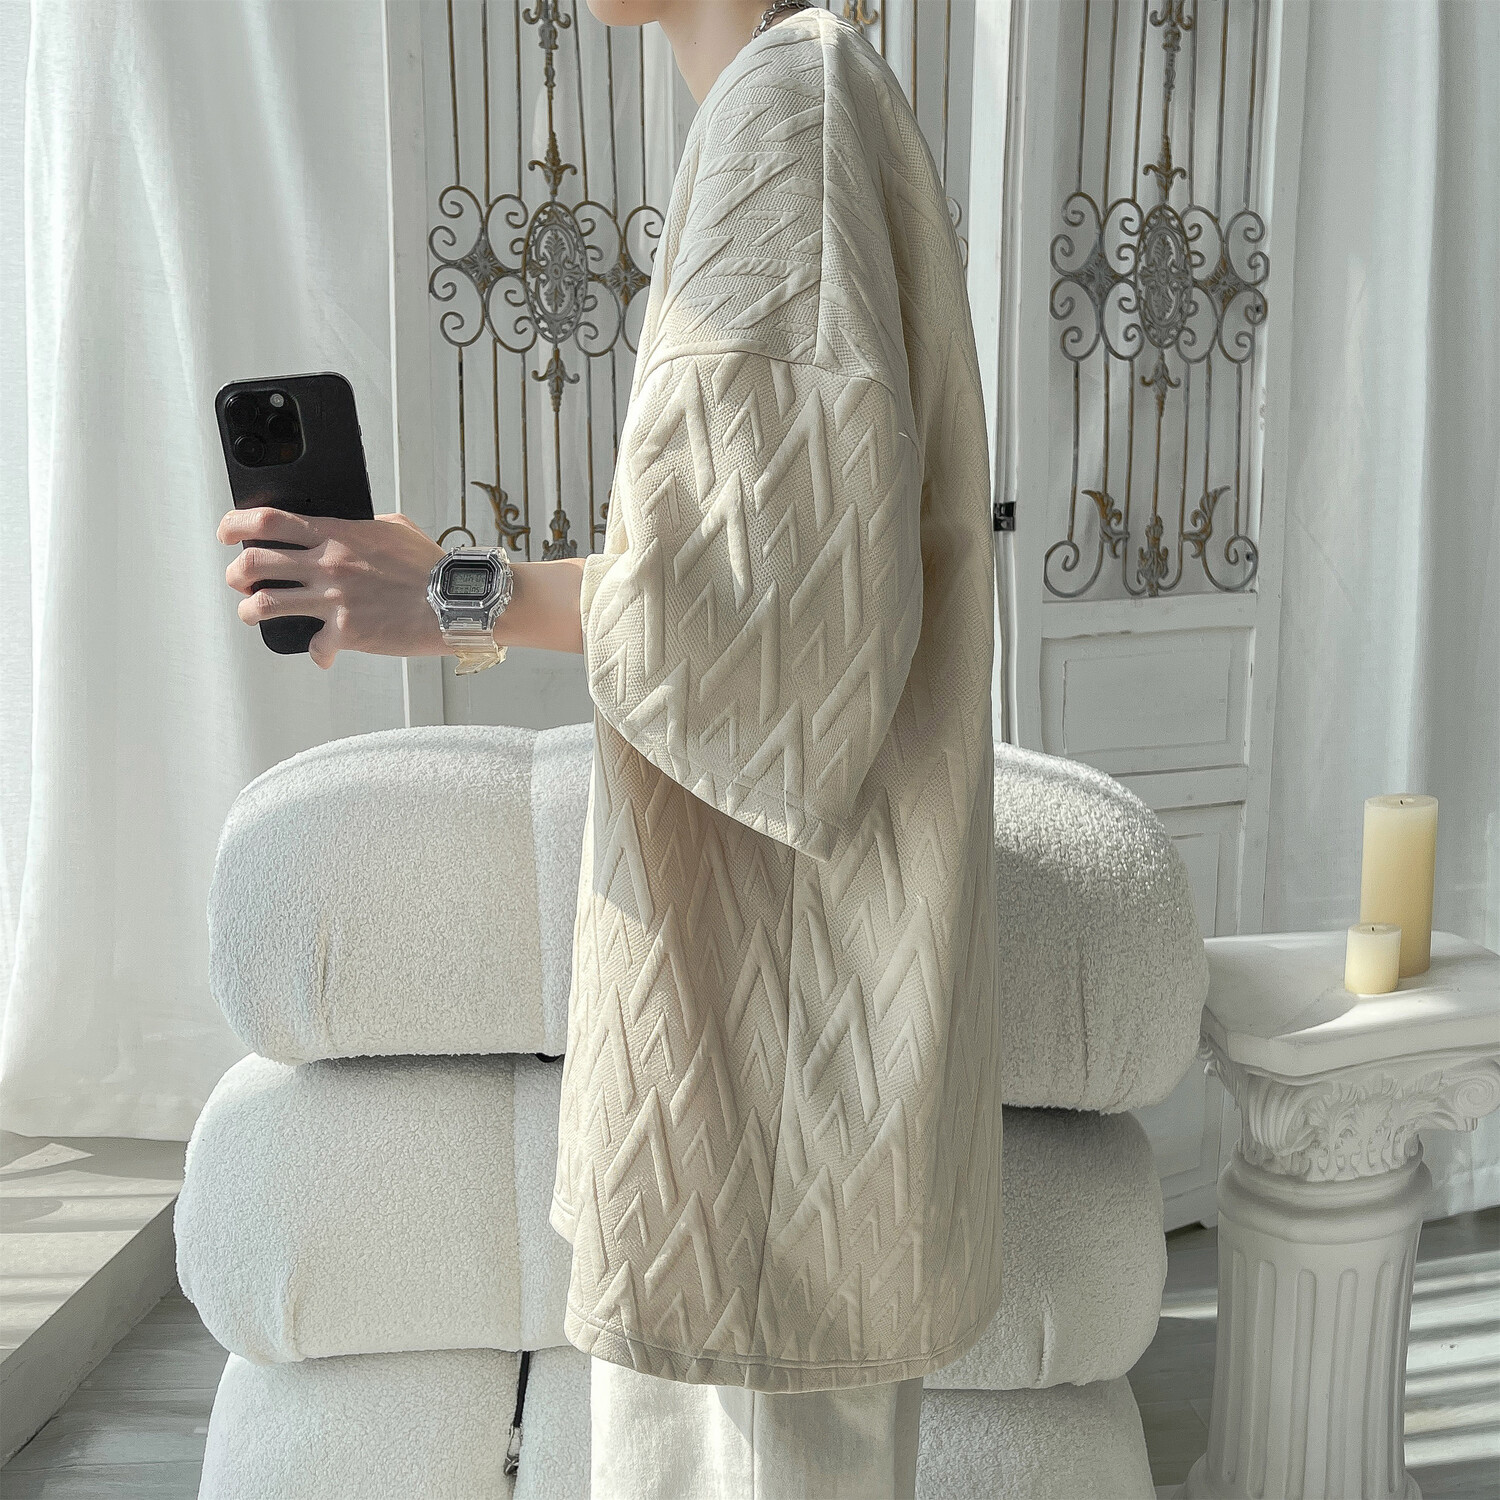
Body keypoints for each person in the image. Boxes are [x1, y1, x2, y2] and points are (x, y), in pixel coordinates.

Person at [219, 2, 1001, 1495]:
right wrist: (441, 590)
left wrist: (455, 592)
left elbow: (776, 617)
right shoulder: (799, 103)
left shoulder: (790, 114)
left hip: (767, 1071)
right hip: (770, 1057)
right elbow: (760, 573)